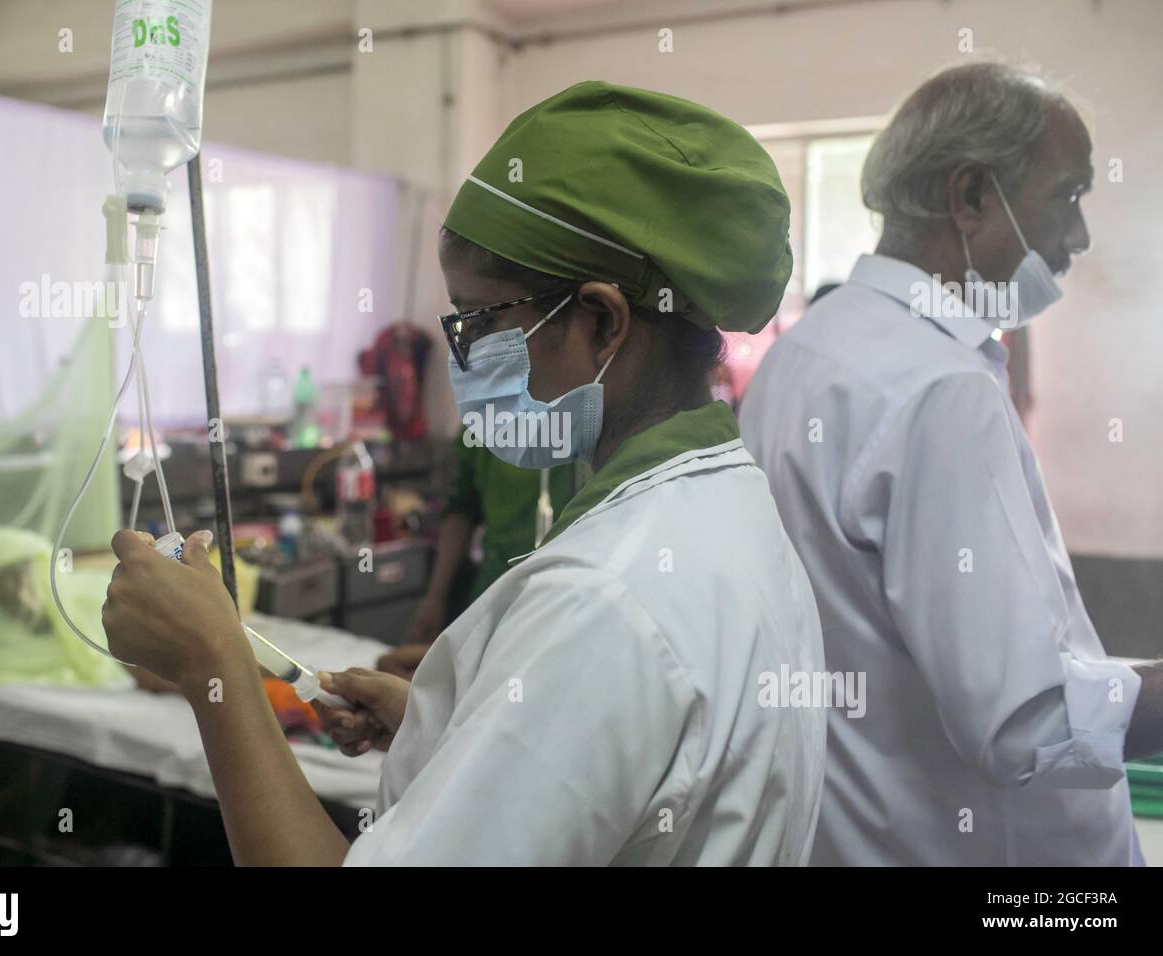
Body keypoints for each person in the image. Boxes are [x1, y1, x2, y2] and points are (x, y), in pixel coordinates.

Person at [100, 81, 825, 866]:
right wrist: (452, 727)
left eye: (479, 319)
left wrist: (213, 664)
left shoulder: (604, 601)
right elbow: (637, 771)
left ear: (603, 321)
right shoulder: (725, 509)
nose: (460, 355)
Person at [741, 62, 1163, 866]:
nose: (1076, 237)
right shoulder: (938, 387)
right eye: (1068, 196)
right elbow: (1028, 723)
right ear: (970, 196)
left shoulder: (805, 356)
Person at [379, 434, 578, 679]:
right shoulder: (481, 426)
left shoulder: (577, 422)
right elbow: (462, 510)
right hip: (493, 588)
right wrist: (435, 598)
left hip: (559, 594)